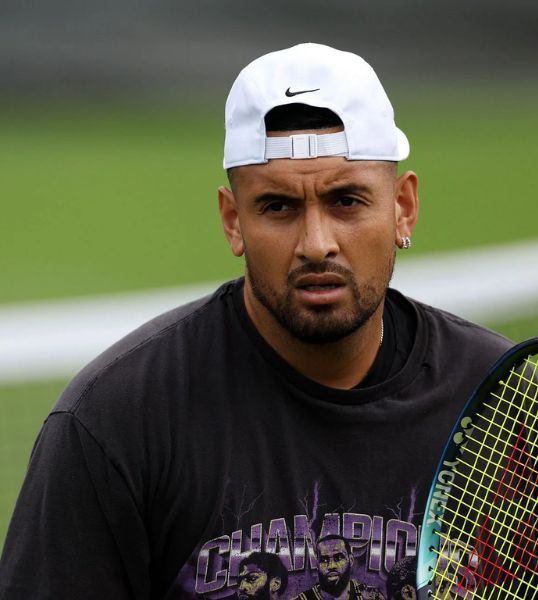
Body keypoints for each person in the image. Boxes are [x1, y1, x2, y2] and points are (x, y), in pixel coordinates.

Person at [0, 43, 512, 597]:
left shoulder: (502, 405)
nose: (317, 245)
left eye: (346, 201)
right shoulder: (117, 419)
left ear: (403, 208)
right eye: (278, 207)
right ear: (232, 221)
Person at [291, 535, 383, 600]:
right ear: (317, 564)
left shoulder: (372, 597)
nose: (331, 566)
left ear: (350, 560)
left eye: (338, 558)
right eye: (324, 560)